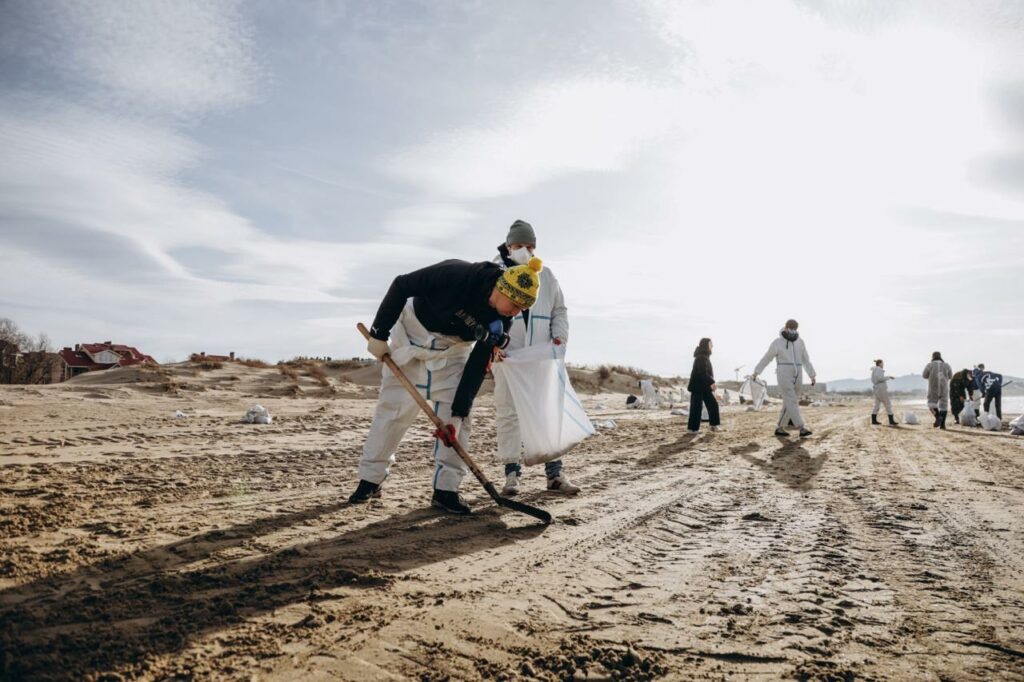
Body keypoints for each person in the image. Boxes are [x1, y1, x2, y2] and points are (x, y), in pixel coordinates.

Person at [349, 255, 543, 515]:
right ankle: (370, 481)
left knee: (458, 425)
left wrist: (457, 415)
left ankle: (446, 490)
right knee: (391, 413)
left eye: (522, 308)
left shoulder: (499, 322)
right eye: (515, 304)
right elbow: (401, 285)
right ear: (501, 288)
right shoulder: (456, 274)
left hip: (451, 354)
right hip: (411, 340)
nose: (516, 312)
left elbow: (475, 368)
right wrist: (379, 333)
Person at [491, 220, 580, 496]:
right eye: (519, 246)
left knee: (547, 412)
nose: (525, 251)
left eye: (530, 246)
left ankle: (555, 474)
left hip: (541, 356)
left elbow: (560, 310)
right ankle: (512, 475)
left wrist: (559, 338)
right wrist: (492, 345)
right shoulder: (493, 272)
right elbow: (486, 311)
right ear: (508, 246)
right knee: (509, 413)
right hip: (508, 356)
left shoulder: (547, 276)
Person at [752, 319, 817, 437]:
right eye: (790, 328)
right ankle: (801, 427)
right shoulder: (777, 342)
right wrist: (757, 372)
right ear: (785, 327)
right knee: (791, 400)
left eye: (794, 329)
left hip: (798, 373)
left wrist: (812, 375)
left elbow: (806, 360)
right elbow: (767, 358)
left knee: (791, 401)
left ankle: (780, 428)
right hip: (784, 373)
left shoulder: (800, 342)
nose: (792, 330)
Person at [687, 338, 722, 433]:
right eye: (711, 344)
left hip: (704, 386)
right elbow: (703, 373)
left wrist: (710, 383)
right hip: (698, 386)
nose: (712, 346)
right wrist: (712, 382)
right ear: (706, 345)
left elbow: (704, 373)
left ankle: (714, 426)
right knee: (696, 407)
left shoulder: (704, 356)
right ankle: (692, 429)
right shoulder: (701, 357)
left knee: (713, 404)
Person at [922, 351, 952, 429]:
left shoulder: (929, 365)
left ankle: (938, 417)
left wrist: (932, 375)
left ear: (932, 357)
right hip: (944, 388)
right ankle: (942, 425)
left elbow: (924, 375)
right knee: (943, 406)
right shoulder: (947, 365)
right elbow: (951, 376)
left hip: (933, 387)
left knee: (931, 404)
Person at [870, 359, 897, 426]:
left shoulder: (874, 370)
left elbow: (875, 379)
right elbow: (880, 378)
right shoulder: (879, 369)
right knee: (887, 403)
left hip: (876, 388)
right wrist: (889, 377)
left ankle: (874, 420)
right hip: (881, 389)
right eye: (882, 363)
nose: (883, 365)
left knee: (876, 404)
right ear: (879, 363)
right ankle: (891, 421)